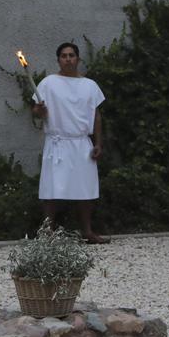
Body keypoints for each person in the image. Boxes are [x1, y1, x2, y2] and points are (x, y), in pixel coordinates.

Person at [32, 42, 109, 244]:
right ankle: (47, 231)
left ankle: (87, 231)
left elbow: (96, 116)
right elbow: (37, 112)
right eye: (64, 56)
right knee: (51, 189)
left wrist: (98, 143)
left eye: (72, 55)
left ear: (78, 59)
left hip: (81, 142)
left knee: (86, 189)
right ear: (58, 60)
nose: (68, 59)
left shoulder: (90, 86)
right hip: (57, 142)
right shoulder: (48, 83)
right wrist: (40, 111)